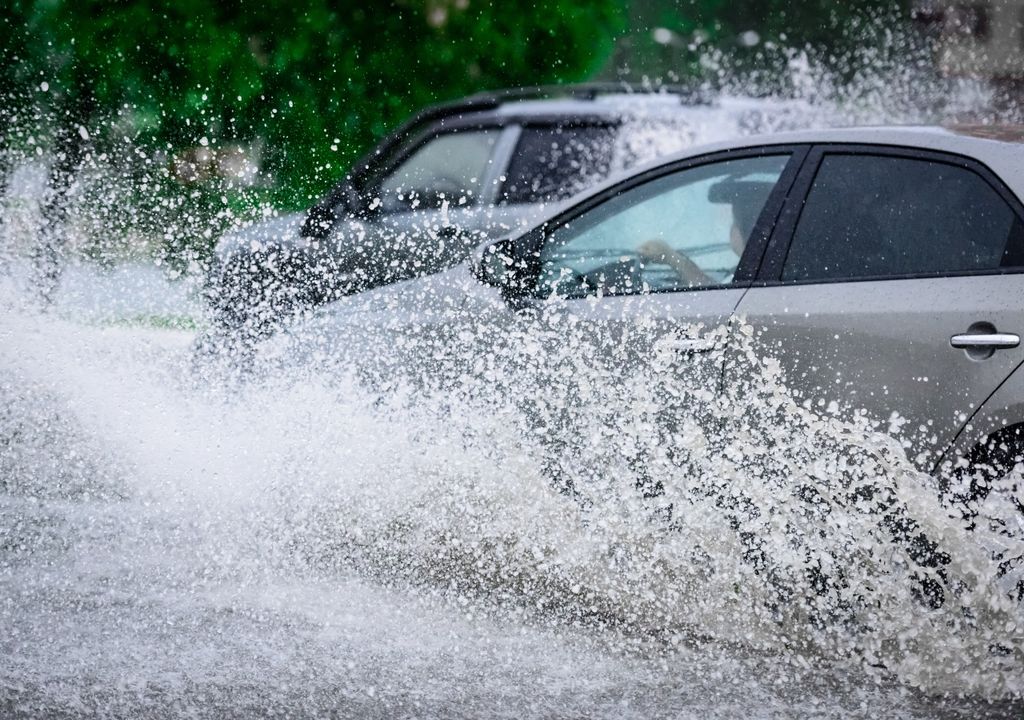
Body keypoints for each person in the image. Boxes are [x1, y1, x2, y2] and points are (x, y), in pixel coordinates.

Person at [635, 179, 774, 287]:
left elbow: (718, 299)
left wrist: (670, 256)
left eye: (734, 222)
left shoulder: (759, 280)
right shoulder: (771, 273)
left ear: (745, 229)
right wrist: (672, 257)